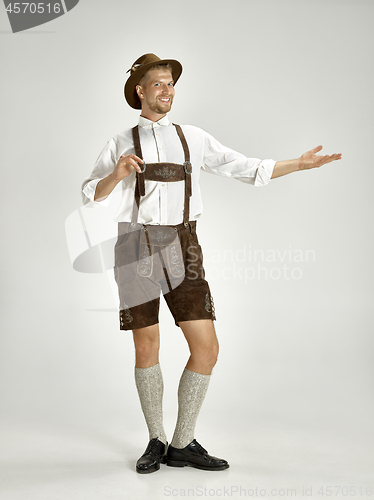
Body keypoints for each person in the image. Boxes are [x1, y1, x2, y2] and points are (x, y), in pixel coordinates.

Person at [81, 53, 342, 474]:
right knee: (147, 345)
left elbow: (244, 167)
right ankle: (155, 439)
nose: (167, 91)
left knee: (207, 347)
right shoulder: (121, 141)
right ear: (140, 91)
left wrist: (298, 164)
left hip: (183, 246)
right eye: (158, 84)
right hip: (134, 246)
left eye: (170, 84)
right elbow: (91, 193)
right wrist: (118, 173)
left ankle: (182, 442)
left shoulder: (194, 138)